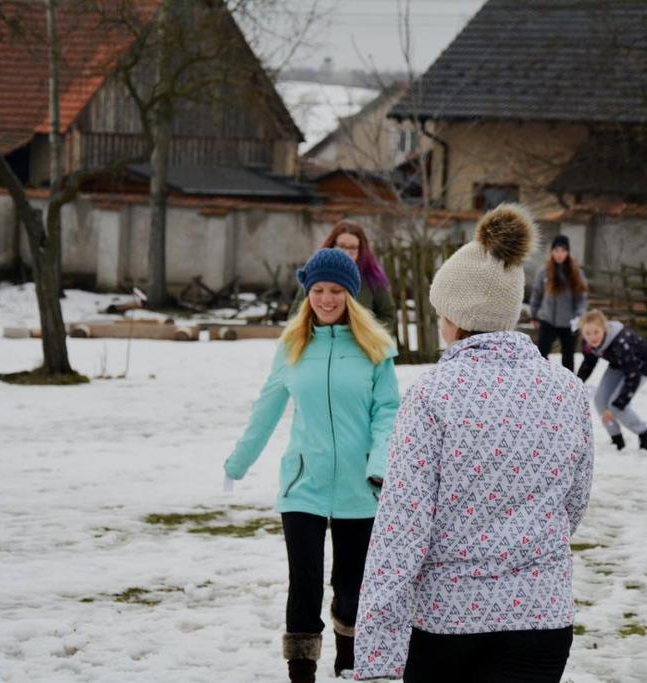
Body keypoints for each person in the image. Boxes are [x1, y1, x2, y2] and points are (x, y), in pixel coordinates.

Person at [354, 204, 595, 683]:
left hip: (450, 618)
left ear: (455, 315)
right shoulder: (566, 388)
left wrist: (377, 650)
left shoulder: (432, 394)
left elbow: (402, 526)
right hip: (541, 615)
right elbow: (574, 500)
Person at [223, 248, 401, 683]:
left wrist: (378, 465)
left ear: (350, 296)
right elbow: (266, 409)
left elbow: (388, 413)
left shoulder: (375, 348)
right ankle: (300, 671)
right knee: (303, 582)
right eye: (318, 290)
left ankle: (349, 660)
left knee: (351, 587)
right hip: (303, 484)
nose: (325, 299)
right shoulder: (291, 347)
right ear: (308, 293)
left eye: (335, 291)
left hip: (361, 486)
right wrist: (237, 463)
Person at [290, 219, 396, 331]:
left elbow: (387, 314)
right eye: (341, 246)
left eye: (353, 248)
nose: (347, 252)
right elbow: (296, 314)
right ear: (332, 245)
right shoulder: (316, 274)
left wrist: (373, 339)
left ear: (361, 250)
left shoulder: (372, 279)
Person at [576, 309, 647, 451]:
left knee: (616, 406)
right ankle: (617, 440)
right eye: (587, 333)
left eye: (596, 332)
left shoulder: (620, 341)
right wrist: (575, 384)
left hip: (640, 366)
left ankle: (646, 437)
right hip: (619, 363)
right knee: (600, 401)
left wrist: (619, 403)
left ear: (604, 329)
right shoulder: (588, 344)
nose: (592, 337)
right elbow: (588, 363)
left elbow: (633, 376)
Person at [529, 234, 589, 371]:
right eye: (556, 250)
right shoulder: (543, 272)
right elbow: (537, 294)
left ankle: (568, 386)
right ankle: (541, 382)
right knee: (541, 355)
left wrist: (578, 316)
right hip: (548, 321)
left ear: (567, 252)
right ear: (552, 252)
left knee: (568, 357)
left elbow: (582, 299)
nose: (559, 254)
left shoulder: (576, 273)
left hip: (568, 323)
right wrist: (534, 314)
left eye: (563, 251)